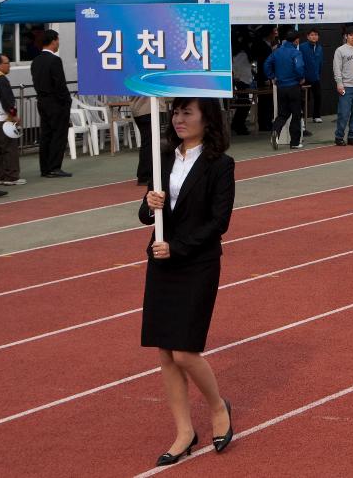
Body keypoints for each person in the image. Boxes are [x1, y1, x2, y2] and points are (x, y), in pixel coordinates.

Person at [137, 97, 235, 464]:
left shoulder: (220, 165)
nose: (178, 118)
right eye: (176, 112)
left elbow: (218, 222)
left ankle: (217, 407)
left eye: (187, 112)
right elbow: (147, 214)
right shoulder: (164, 158)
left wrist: (177, 249)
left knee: (184, 351)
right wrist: (151, 203)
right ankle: (184, 432)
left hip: (196, 262)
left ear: (207, 120)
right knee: (165, 352)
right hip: (161, 262)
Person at [31, 30, 72, 178]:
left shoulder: (36, 61)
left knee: (46, 134)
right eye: (58, 40)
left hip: (42, 100)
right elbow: (59, 84)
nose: (58, 43)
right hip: (56, 102)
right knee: (58, 135)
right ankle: (55, 167)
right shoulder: (54, 60)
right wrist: (67, 100)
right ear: (53, 41)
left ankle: (45, 168)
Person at [264, 30, 306, 150]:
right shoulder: (296, 53)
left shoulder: (277, 51)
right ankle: (294, 142)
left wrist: (272, 76)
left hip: (281, 86)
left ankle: (275, 132)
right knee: (296, 114)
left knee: (282, 113)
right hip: (293, 86)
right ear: (296, 40)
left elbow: (266, 64)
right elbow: (299, 67)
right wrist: (301, 78)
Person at [0, 53, 22, 191]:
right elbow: (7, 100)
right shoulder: (1, 79)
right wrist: (14, 115)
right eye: (7, 63)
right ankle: (11, 177)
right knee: (9, 148)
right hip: (3, 119)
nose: (9, 65)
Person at [298, 29, 324, 123]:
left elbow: (320, 62)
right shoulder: (301, 47)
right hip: (304, 78)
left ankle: (316, 116)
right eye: (312, 35)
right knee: (304, 98)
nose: (314, 36)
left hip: (315, 77)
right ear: (308, 36)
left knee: (318, 96)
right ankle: (300, 117)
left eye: (316, 34)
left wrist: (318, 74)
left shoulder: (319, 48)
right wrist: (301, 76)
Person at [131, 95, 153, 188]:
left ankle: (144, 175)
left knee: (148, 143)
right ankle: (144, 176)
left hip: (140, 109)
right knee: (149, 143)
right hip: (148, 109)